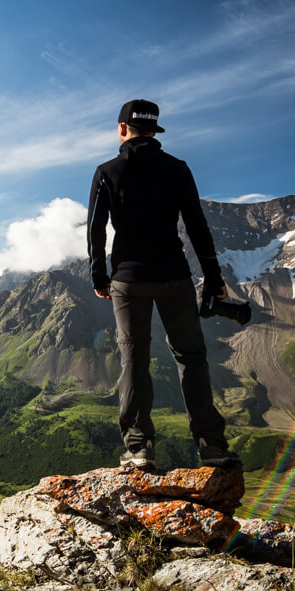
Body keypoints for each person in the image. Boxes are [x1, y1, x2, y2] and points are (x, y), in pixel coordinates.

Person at [86, 99, 240, 471]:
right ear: (155, 131)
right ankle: (211, 445)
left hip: (128, 280)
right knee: (190, 357)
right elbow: (197, 225)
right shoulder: (178, 169)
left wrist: (99, 276)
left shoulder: (107, 171)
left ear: (122, 129)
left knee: (134, 360)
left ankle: (139, 448)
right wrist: (214, 277)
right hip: (174, 277)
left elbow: (95, 228)